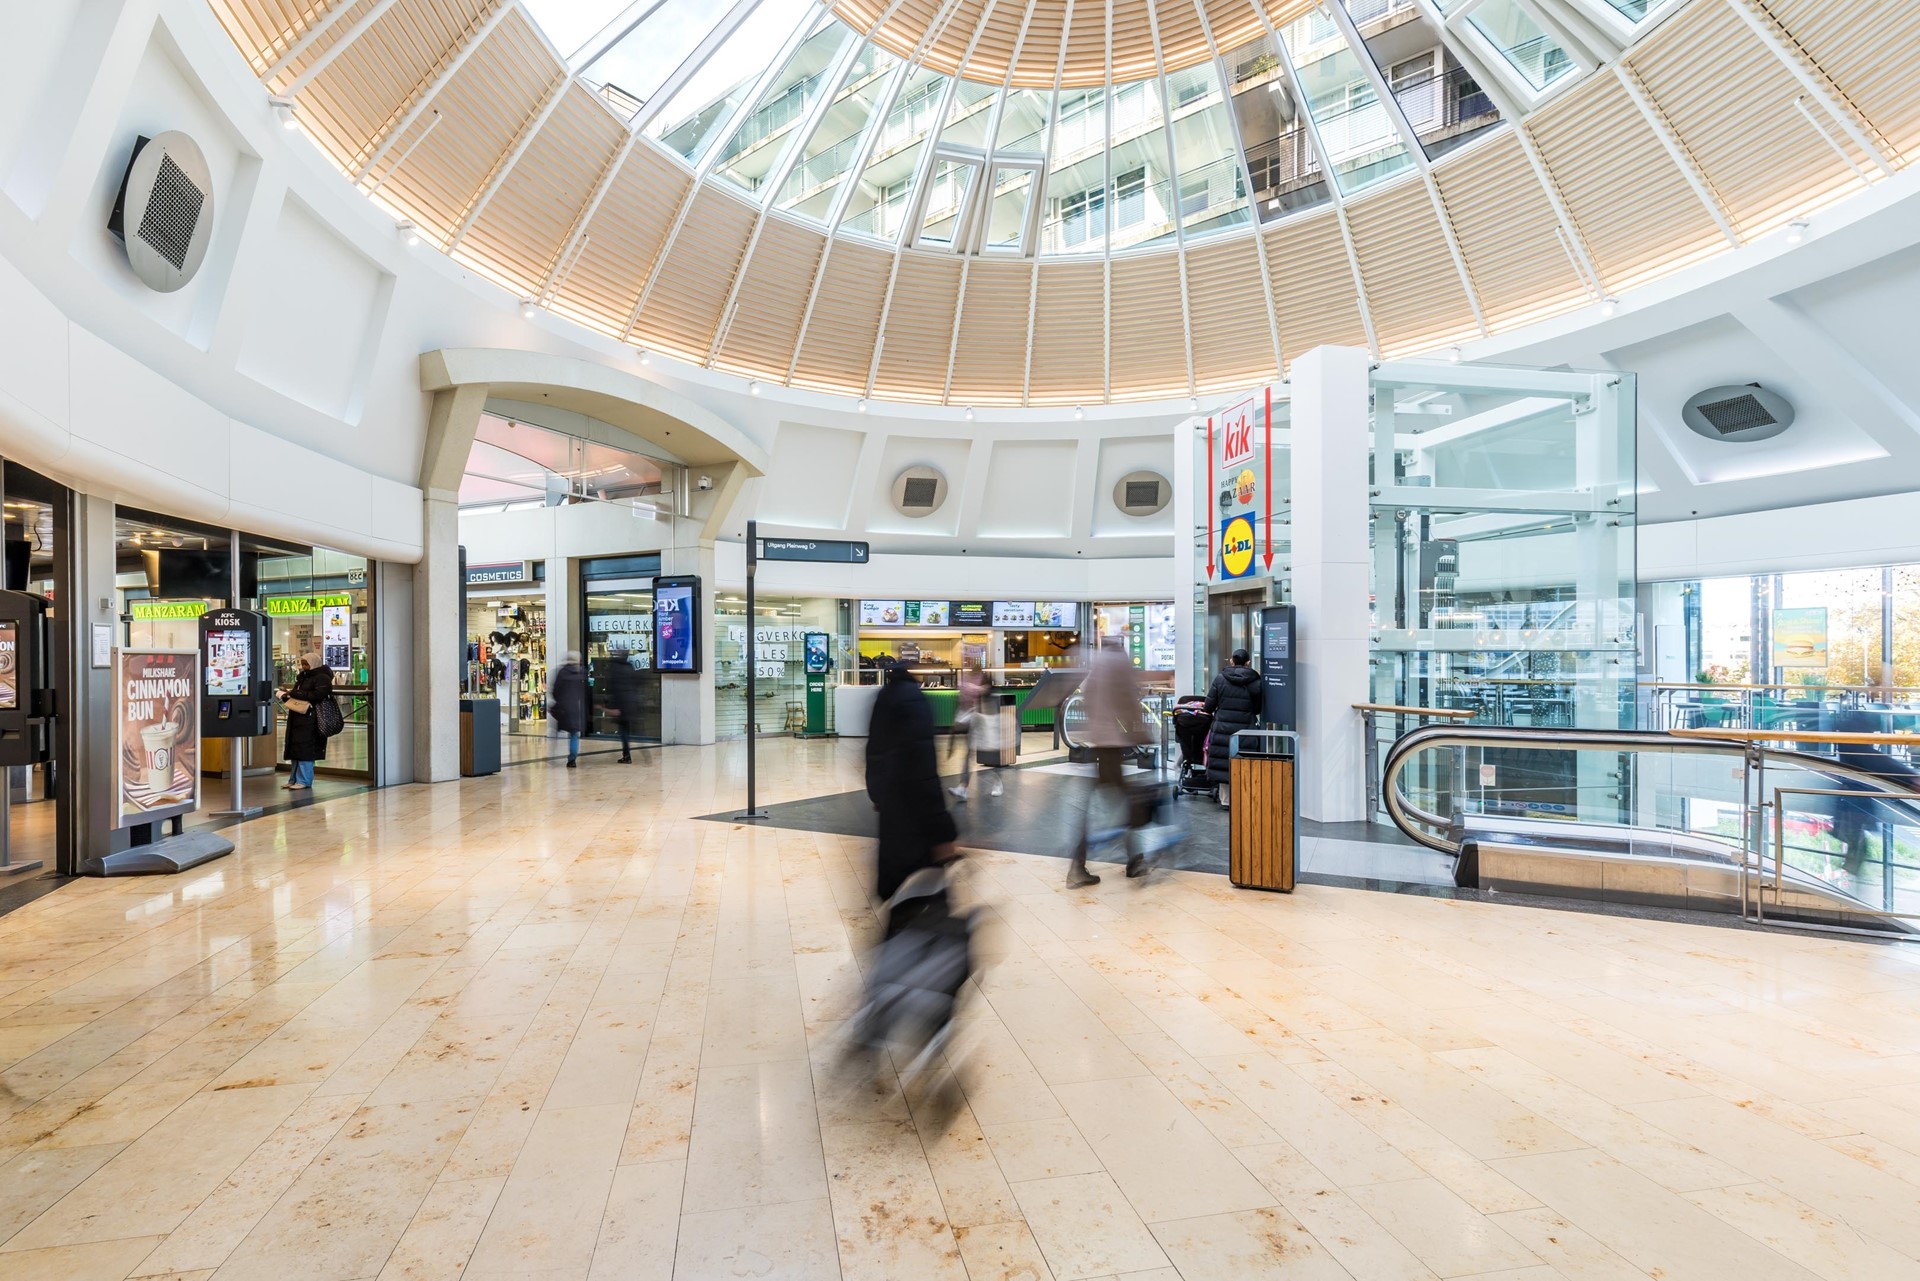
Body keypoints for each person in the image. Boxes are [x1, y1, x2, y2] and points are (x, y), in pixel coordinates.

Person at [866, 659, 958, 915]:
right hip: (918, 822)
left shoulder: (884, 696)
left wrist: (877, 794)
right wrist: (943, 833)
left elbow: (874, 752)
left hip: (891, 812)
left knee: (900, 898)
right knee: (924, 906)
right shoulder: (915, 700)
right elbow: (924, 770)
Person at [1068, 639, 1150, 885]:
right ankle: (1130, 861)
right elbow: (1128, 701)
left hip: (1100, 742)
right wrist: (1140, 733)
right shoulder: (1118, 662)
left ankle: (1131, 859)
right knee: (1128, 801)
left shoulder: (1098, 664)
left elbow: (1088, 699)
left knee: (1119, 799)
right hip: (1111, 744)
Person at [1204, 648, 1265, 805]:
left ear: (1232, 660)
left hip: (1222, 729)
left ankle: (1226, 800)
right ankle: (1244, 798)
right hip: (1245, 729)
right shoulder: (1255, 682)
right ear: (1248, 662)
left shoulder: (1220, 679)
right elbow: (1257, 709)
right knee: (1243, 760)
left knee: (1224, 762)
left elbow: (1208, 706)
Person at [278, 650, 334, 791]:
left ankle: (304, 780)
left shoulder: (322, 678)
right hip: (297, 716)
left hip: (310, 718)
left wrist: (295, 693)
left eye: (306, 664)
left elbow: (318, 695)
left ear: (313, 663)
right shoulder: (302, 677)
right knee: (296, 748)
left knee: (305, 749)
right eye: (302, 664)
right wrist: (287, 695)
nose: (304, 667)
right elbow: (301, 695)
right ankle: (294, 779)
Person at [950, 661, 1000, 801]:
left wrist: (982, 690)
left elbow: (988, 696)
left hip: (982, 721)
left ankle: (997, 781)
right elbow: (960, 700)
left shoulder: (983, 679)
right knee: (969, 753)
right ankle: (963, 787)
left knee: (986, 752)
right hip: (971, 720)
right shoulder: (966, 679)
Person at [549, 651, 588, 768]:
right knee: (574, 734)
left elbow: (555, 690)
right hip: (576, 708)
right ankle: (572, 759)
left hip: (562, 708)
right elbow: (584, 692)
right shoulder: (582, 673)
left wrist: (559, 700)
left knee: (556, 730)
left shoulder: (562, 672)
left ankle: (553, 753)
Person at [605, 648, 643, 762]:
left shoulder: (615, 668)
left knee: (623, 731)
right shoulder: (630, 667)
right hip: (631, 704)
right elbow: (637, 683)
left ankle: (626, 755)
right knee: (629, 729)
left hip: (621, 705)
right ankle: (641, 754)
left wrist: (612, 706)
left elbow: (613, 689)